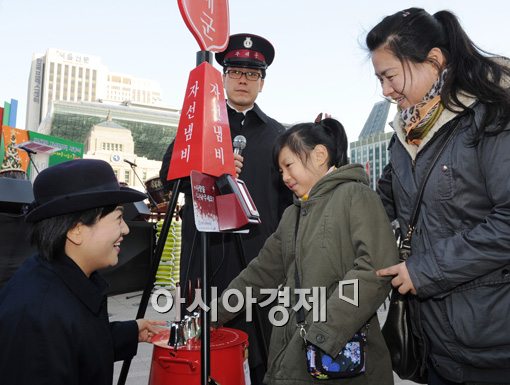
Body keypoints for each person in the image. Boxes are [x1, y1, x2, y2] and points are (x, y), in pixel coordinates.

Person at [366, 8, 510, 385]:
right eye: (379, 79)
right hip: (434, 340)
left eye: (390, 76)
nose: (385, 90)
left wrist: (424, 270)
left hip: (492, 340)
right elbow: (380, 205)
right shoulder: (404, 136)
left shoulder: (490, 116)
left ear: (434, 60)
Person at [214, 118, 398, 385]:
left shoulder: (356, 196)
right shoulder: (293, 214)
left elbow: (376, 269)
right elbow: (261, 272)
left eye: (289, 165)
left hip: (341, 356)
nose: (285, 177)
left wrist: (325, 331)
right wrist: (215, 314)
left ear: (320, 155)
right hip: (293, 352)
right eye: (280, 171)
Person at [159, 33, 293, 385]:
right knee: (202, 351)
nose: (243, 80)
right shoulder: (198, 125)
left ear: (262, 83)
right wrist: (205, 169)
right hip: (204, 260)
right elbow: (167, 178)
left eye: (252, 74)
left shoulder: (279, 136)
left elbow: (287, 205)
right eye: (235, 71)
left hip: (259, 265)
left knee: (262, 354)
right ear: (222, 77)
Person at [0, 159, 164, 385]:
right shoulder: (38, 317)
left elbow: (77, 343)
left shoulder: (63, 278)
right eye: (118, 217)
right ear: (77, 230)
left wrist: (129, 333)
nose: (126, 228)